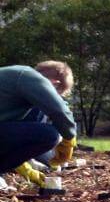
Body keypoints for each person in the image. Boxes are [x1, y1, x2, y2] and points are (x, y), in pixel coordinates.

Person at [0, 62, 77, 190]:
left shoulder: (15, 79)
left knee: (38, 111)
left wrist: (25, 168)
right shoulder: (28, 76)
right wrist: (69, 139)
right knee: (50, 135)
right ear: (55, 83)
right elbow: (59, 111)